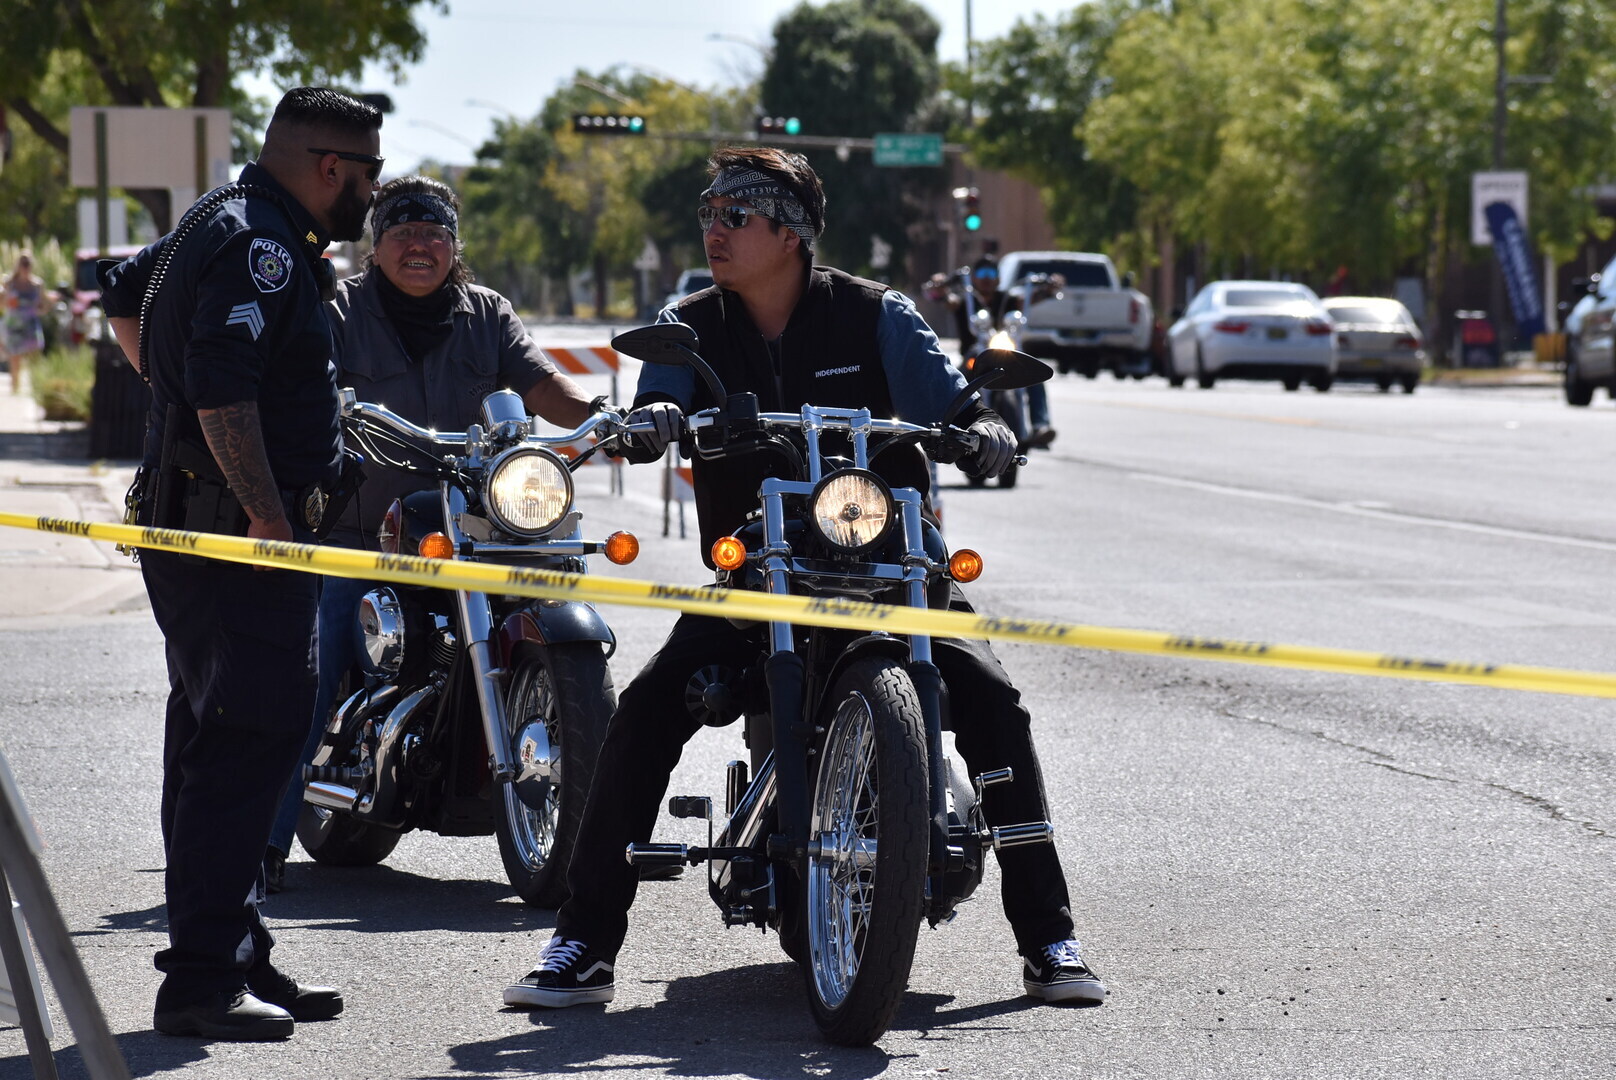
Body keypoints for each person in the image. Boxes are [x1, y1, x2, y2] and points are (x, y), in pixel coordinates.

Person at [503, 147, 1106, 1011]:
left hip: (891, 562)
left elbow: (951, 402)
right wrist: (650, 422)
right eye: (708, 213)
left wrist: (984, 428)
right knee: (645, 709)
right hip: (761, 571)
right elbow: (654, 406)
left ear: (790, 233)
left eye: (734, 215)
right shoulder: (689, 326)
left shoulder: (876, 314)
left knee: (992, 701)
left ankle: (1048, 936)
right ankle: (584, 943)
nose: (713, 229)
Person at [98, 86, 384, 1042]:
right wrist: (264, 514)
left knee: (216, 740)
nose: (374, 193)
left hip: (206, 535)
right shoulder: (261, 244)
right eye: (370, 172)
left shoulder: (223, 216)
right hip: (238, 546)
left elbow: (124, 296)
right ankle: (202, 980)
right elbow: (224, 390)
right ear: (332, 167)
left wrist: (170, 406)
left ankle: (231, 950)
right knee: (242, 747)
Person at [262, 175, 598, 889]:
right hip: (360, 534)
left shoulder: (487, 313)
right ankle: (261, 851)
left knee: (557, 590)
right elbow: (300, 383)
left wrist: (603, 417)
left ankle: (594, 826)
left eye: (434, 233)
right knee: (309, 671)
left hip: (475, 523)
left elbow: (541, 385)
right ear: (377, 244)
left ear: (454, 244)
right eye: (403, 232)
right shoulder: (339, 310)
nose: (420, 245)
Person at [938, 253, 1056, 449]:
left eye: (991, 273)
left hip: (1005, 353)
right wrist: (940, 289)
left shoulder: (1007, 299)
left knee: (1034, 373)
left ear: (999, 278)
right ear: (974, 277)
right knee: (955, 383)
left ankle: (1040, 425)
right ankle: (947, 430)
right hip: (976, 356)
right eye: (982, 273)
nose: (986, 278)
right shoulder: (967, 300)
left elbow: (1029, 299)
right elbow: (948, 300)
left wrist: (1048, 290)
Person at [4, 252, 51, 394]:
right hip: (14, 324)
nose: (25, 267)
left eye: (28, 264)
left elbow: (45, 304)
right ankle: (15, 390)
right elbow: (3, 302)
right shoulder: (9, 282)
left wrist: (39, 310)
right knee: (15, 359)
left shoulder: (37, 284)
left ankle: (35, 389)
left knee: (34, 356)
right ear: (18, 265)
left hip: (30, 323)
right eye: (23, 264)